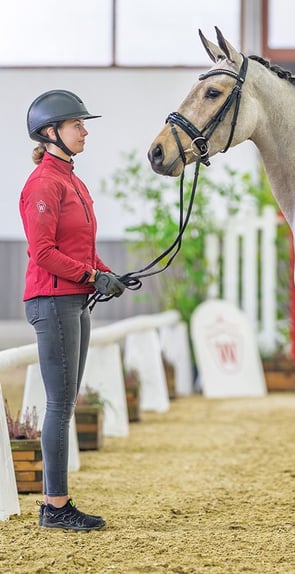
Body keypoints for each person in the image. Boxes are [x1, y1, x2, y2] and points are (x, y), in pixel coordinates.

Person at [20, 90, 127, 531]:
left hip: (73, 299)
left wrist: (105, 273)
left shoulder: (72, 181)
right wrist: (90, 277)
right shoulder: (44, 184)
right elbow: (43, 252)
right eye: (77, 125)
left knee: (65, 401)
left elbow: (79, 247)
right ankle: (54, 505)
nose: (85, 131)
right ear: (51, 133)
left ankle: (56, 502)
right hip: (53, 299)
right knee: (60, 405)